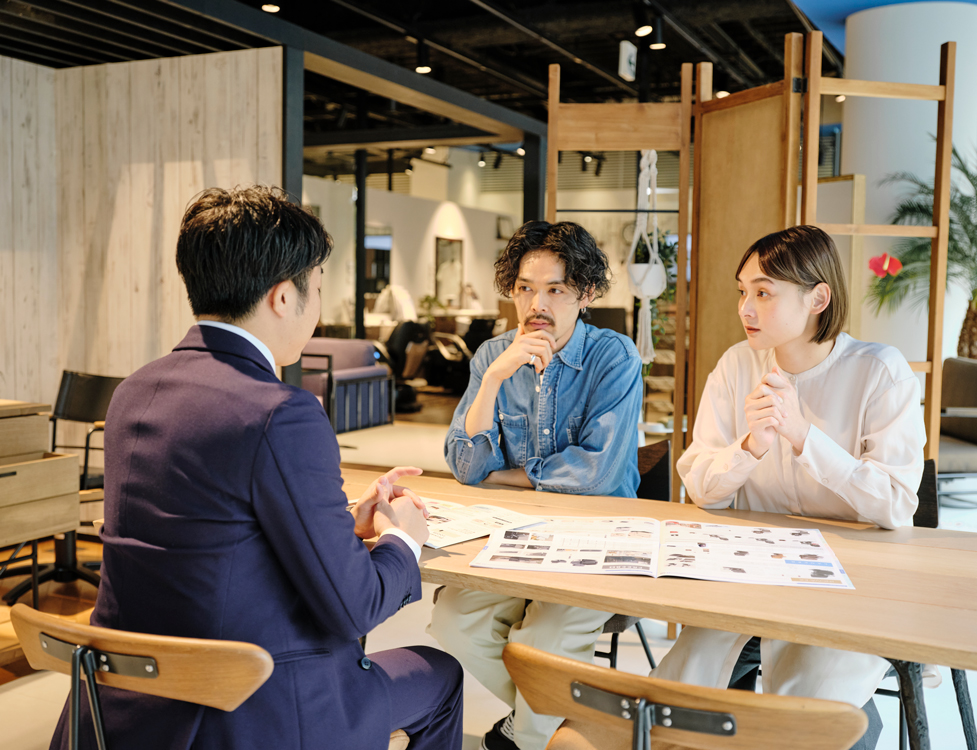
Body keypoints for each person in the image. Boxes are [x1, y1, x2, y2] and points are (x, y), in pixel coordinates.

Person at [50, 186, 464, 750]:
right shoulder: (280, 413)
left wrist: (342, 523)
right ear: (281, 297)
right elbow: (353, 608)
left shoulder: (134, 393)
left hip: (128, 704)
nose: (317, 308)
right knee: (441, 674)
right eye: (317, 288)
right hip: (254, 709)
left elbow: (212, 535)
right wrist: (402, 541)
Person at [651, 225, 926, 750]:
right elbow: (702, 488)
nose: (745, 309)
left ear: (818, 297)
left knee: (810, 721)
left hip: (848, 581)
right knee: (673, 707)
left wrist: (804, 437)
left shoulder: (879, 371)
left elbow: (896, 505)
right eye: (742, 292)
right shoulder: (736, 366)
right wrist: (750, 448)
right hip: (748, 575)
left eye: (763, 293)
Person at [428, 220, 644, 750]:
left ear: (586, 293)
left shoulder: (614, 357)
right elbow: (463, 461)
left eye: (555, 289)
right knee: (453, 622)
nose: (535, 304)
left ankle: (524, 738)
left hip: (603, 539)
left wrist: (503, 474)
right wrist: (496, 379)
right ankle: (565, 729)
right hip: (517, 536)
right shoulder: (493, 356)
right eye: (525, 287)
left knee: (542, 640)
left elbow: (597, 473)